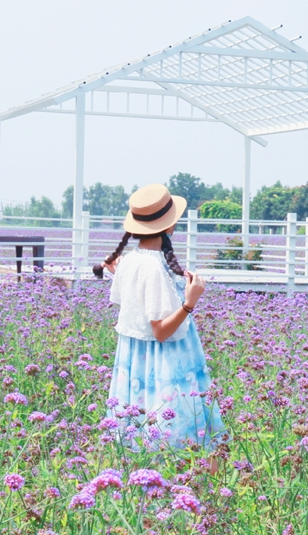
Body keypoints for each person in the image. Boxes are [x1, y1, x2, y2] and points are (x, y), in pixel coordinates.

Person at [92, 183, 227, 466]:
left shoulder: (131, 261)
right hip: (164, 362)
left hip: (135, 363)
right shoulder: (152, 266)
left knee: (139, 426)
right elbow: (161, 331)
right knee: (178, 433)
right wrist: (190, 302)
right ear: (170, 225)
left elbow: (131, 305)